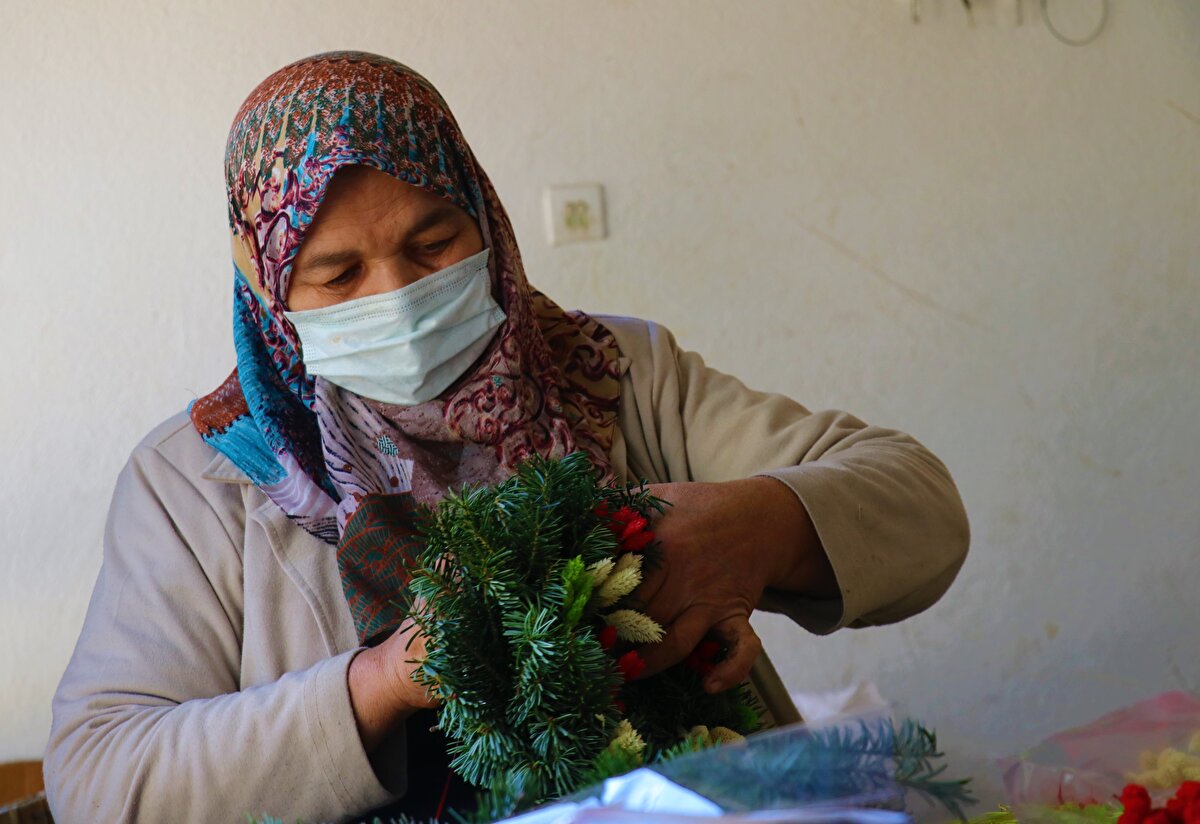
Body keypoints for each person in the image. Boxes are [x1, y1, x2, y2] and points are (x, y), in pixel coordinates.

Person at [44, 51, 969, 824]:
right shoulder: (198, 482)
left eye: (432, 243)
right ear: (269, 289)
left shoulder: (613, 374)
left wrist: (749, 530)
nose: (395, 296)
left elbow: (918, 503)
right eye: (335, 273)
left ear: (483, 216)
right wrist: (383, 681)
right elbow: (99, 778)